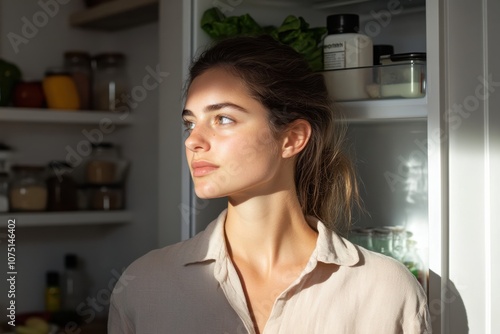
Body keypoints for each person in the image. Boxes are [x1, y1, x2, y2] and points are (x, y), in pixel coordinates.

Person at [108, 35, 431, 334]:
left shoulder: (385, 288)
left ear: (291, 138)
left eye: (223, 119)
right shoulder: (144, 284)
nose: (194, 140)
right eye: (190, 123)